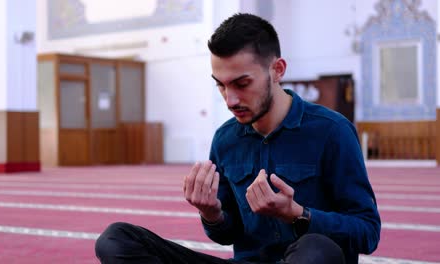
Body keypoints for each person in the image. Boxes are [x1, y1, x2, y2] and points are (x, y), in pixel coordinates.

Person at [95, 13, 381, 264]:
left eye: (242, 84)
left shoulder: (332, 131)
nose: (230, 100)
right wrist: (212, 213)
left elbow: (367, 232)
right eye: (221, 85)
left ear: (277, 70)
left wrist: (297, 214)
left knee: (316, 249)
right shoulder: (225, 139)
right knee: (116, 239)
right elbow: (227, 234)